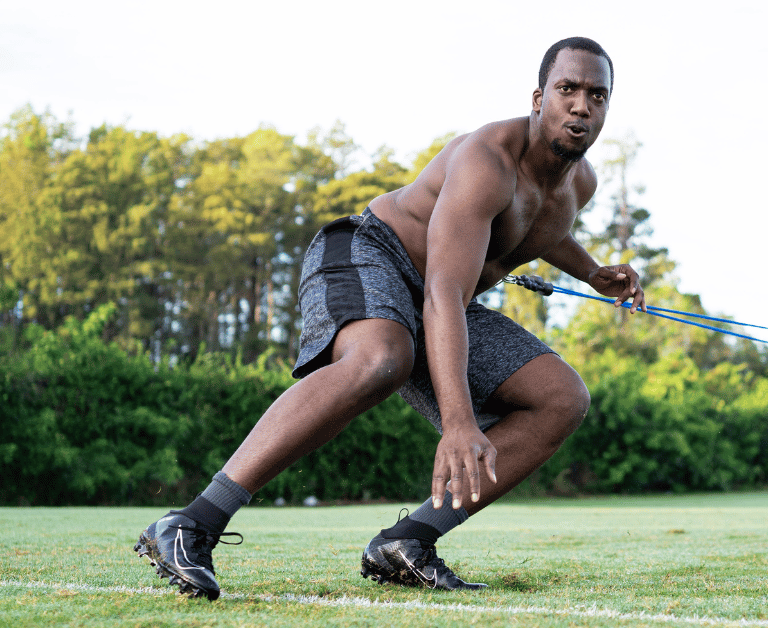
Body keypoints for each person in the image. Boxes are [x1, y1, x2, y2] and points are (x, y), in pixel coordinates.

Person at [134, 36, 645, 600]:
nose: (581, 106)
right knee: (383, 359)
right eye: (567, 89)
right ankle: (194, 522)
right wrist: (457, 423)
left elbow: (539, 225)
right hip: (369, 253)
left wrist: (592, 271)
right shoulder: (487, 160)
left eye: (597, 95)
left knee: (562, 398)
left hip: (437, 297)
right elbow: (444, 296)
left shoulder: (581, 185)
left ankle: (408, 543)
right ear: (538, 96)